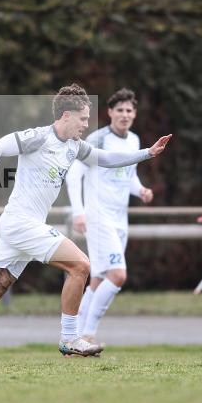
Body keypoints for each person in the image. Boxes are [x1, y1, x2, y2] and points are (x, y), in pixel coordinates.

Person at [0, 84, 171, 356]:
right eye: (83, 119)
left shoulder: (74, 146)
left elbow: (105, 158)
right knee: (80, 265)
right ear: (66, 116)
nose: (86, 124)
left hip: (20, 226)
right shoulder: (39, 137)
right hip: (21, 223)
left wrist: (147, 153)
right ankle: (70, 338)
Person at [65, 88, 154, 352]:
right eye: (120, 110)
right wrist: (78, 211)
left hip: (120, 220)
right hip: (98, 216)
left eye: (129, 110)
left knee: (99, 279)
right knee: (117, 275)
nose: (124, 115)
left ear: (134, 114)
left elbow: (128, 176)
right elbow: (74, 175)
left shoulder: (134, 140)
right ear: (110, 112)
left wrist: (141, 190)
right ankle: (88, 335)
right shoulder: (98, 139)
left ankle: (74, 338)